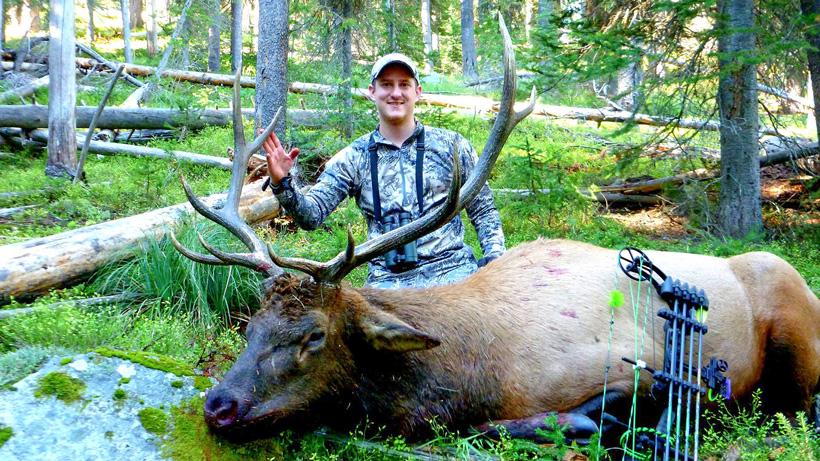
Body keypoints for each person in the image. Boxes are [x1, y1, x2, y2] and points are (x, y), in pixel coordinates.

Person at [263, 53, 505, 288]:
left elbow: (483, 209)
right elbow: (311, 216)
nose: (396, 93)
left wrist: (496, 261)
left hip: (453, 274)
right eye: (387, 84)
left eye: (404, 85)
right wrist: (282, 184)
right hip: (386, 284)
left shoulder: (452, 146)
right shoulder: (353, 157)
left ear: (417, 92)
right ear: (372, 92)